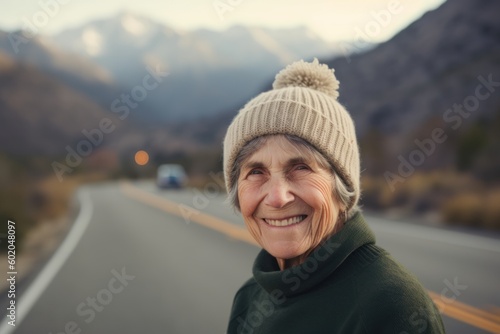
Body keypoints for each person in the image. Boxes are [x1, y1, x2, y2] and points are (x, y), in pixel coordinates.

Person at [223, 59, 445, 333]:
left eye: (301, 168)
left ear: (342, 186)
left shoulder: (393, 307)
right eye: (256, 172)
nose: (278, 198)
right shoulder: (248, 298)